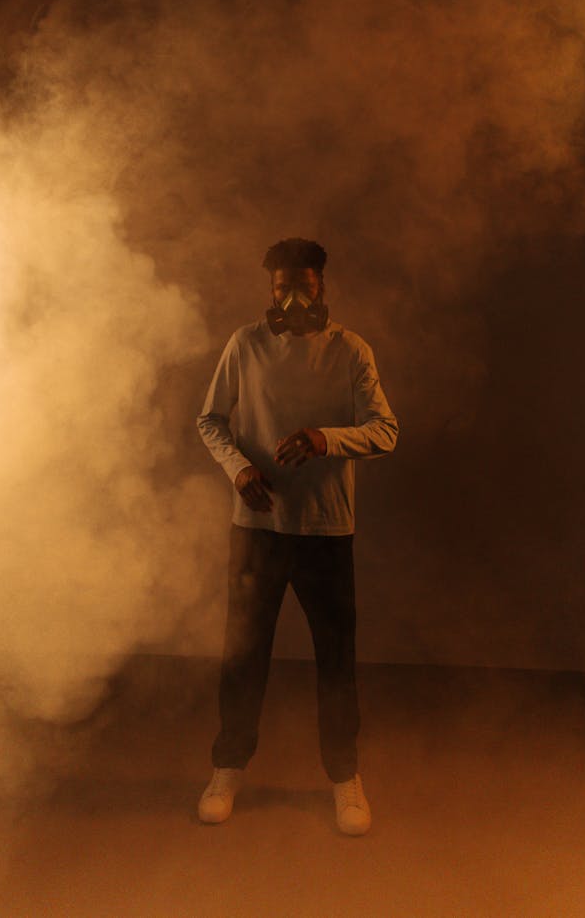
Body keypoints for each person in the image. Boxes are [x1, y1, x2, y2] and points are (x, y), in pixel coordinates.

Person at [195, 238, 398, 835]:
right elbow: (211, 420)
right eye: (282, 286)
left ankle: (345, 777)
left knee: (336, 660)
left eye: (303, 285)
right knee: (243, 655)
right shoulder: (245, 344)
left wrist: (324, 439)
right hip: (256, 529)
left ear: (322, 286)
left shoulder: (351, 350)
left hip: (326, 529)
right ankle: (227, 767)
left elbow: (386, 430)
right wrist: (239, 468)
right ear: (269, 289)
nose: (292, 296)